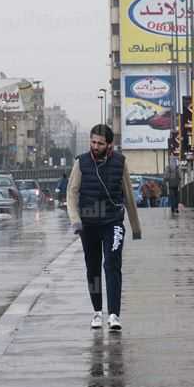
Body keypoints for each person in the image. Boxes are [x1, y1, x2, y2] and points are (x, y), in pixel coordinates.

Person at [67, 124, 142, 331]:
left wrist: (135, 227)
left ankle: (114, 314)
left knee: (112, 265)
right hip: (89, 224)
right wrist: (75, 220)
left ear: (109, 144)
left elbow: (128, 195)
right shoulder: (81, 163)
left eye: (100, 143)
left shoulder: (120, 163)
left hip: (112, 222)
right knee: (93, 269)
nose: (95, 146)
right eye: (93, 142)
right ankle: (97, 312)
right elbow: (71, 193)